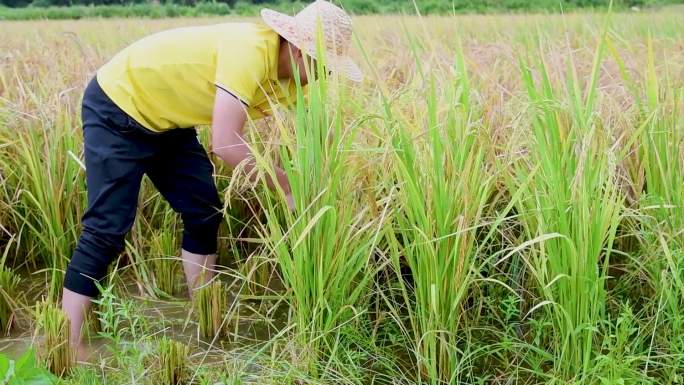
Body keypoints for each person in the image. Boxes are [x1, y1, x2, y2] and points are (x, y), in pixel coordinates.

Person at [61, 0, 362, 358]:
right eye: (324, 65)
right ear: (298, 51)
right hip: (119, 104)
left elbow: (316, 136)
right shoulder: (250, 51)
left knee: (203, 210)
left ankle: (205, 313)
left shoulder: (298, 78)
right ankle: (69, 345)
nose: (327, 75)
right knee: (107, 229)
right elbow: (225, 143)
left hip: (169, 119)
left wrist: (328, 183)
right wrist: (286, 187)